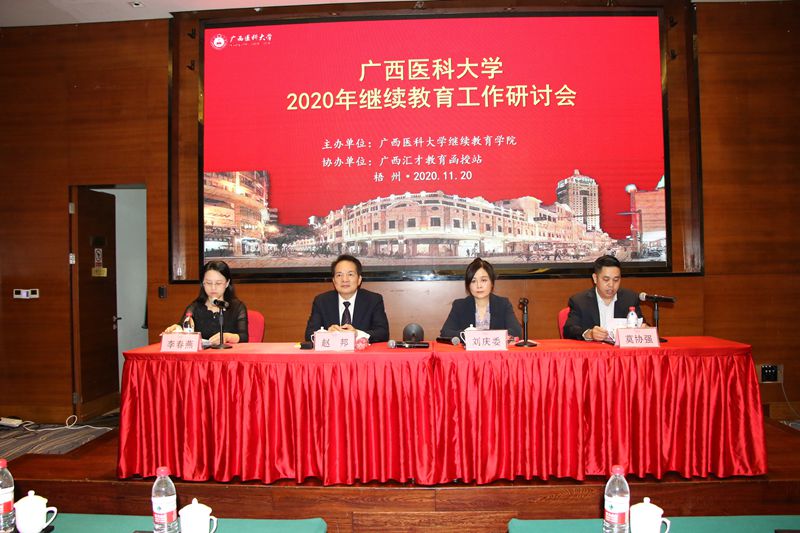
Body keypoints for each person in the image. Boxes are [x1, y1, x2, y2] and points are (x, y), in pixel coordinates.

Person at [304, 254, 390, 343]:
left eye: (350, 274)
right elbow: (309, 335)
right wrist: (326, 334)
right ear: (334, 281)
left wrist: (357, 334)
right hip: (333, 351)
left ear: (359, 279)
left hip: (362, 351)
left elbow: (383, 333)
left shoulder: (373, 300)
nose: (345, 279)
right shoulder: (321, 301)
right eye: (339, 275)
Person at [162, 260, 249, 344]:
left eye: (218, 283)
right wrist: (177, 329)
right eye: (208, 283)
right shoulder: (195, 307)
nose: (213, 288)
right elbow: (183, 327)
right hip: (203, 353)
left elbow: (244, 337)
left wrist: (227, 337)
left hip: (229, 353)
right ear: (203, 283)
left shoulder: (237, 307)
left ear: (227, 283)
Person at [563, 254, 643, 341]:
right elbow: (569, 330)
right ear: (595, 278)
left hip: (620, 349)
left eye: (616, 280)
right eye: (606, 279)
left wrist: (645, 328)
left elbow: (642, 324)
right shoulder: (580, 301)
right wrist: (589, 333)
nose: (611, 285)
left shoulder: (630, 298)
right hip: (595, 349)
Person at [439, 257, 523, 339]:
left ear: (492, 283)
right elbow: (445, 333)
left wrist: (483, 336)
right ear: (468, 285)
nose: (479, 285)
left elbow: (516, 331)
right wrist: (470, 336)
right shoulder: (460, 305)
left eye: (483, 280)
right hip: (469, 349)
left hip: (495, 348)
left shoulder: (503, 304)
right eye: (473, 281)